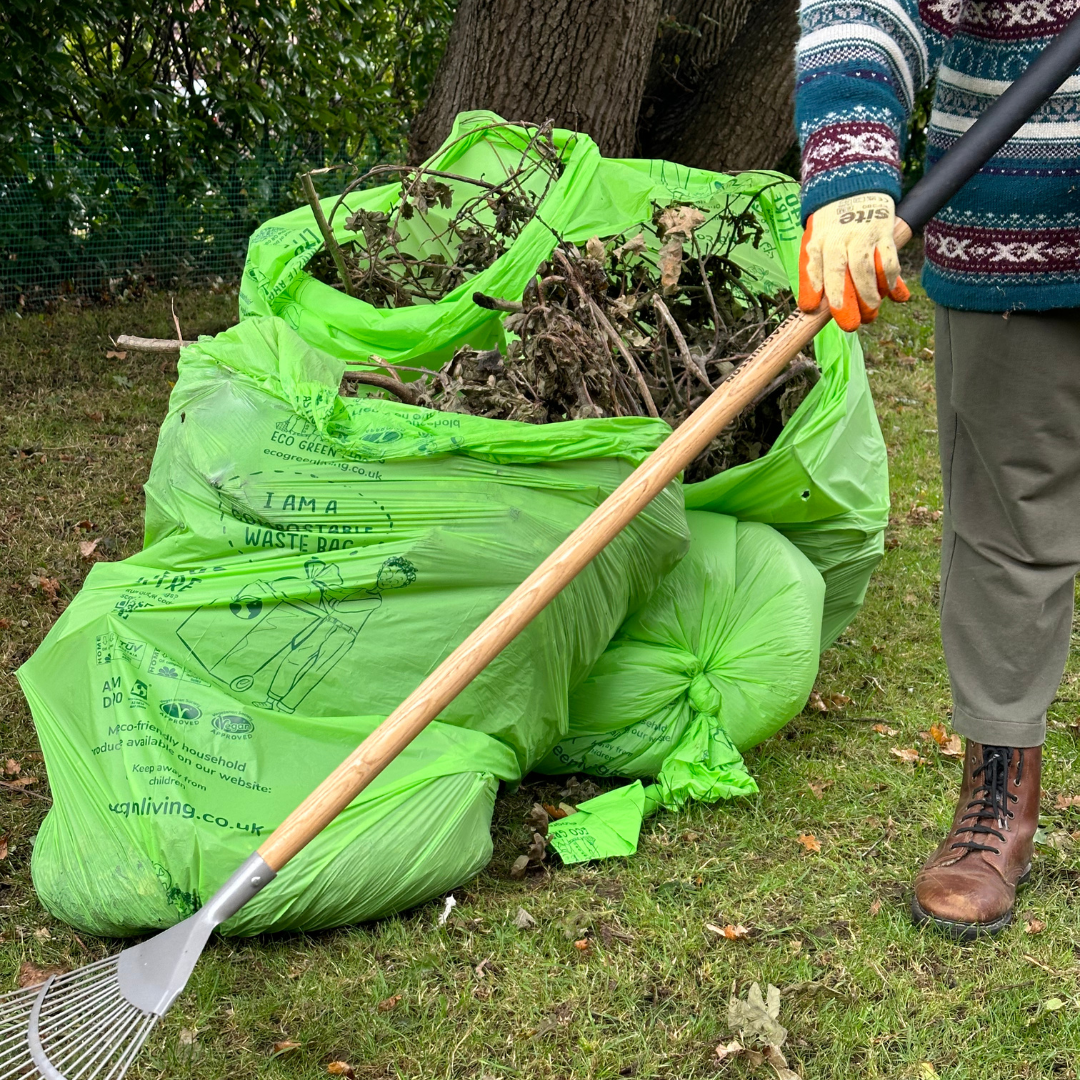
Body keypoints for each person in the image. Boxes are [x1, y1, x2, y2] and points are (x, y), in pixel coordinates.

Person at [795, 0, 1080, 938]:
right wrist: (849, 169)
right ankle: (998, 802)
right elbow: (870, 6)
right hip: (1018, 244)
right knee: (1008, 530)